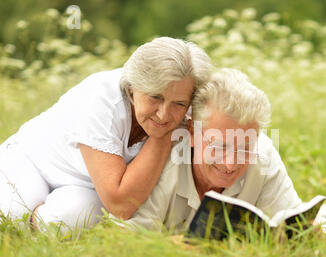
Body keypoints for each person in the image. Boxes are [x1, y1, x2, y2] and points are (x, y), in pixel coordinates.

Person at [0, 37, 212, 233]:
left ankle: (37, 225)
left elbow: (121, 206)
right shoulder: (100, 98)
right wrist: (165, 134)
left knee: (76, 217)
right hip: (29, 163)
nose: (164, 114)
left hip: (84, 185)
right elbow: (121, 203)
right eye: (155, 97)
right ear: (133, 88)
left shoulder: (188, 109)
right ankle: (28, 223)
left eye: (179, 103)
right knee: (13, 218)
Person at [124, 68, 304, 233]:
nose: (230, 164)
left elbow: (297, 228)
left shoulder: (263, 155)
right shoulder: (163, 164)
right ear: (192, 132)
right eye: (219, 146)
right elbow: (125, 237)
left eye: (244, 148)